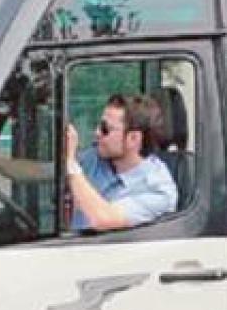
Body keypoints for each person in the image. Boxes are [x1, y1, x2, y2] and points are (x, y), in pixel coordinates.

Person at [65, 93, 177, 231]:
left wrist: (71, 165)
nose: (97, 132)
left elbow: (103, 219)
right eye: (99, 125)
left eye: (105, 129)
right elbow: (50, 172)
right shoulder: (96, 157)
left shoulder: (158, 191)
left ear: (133, 139)